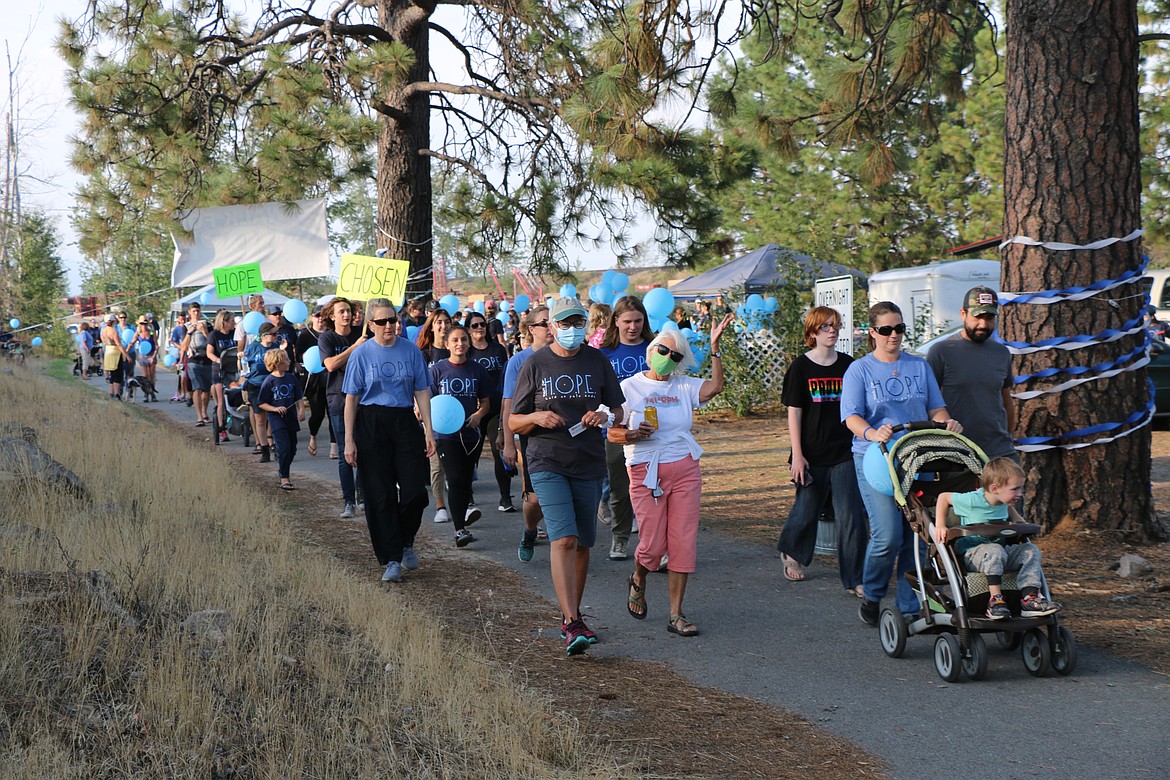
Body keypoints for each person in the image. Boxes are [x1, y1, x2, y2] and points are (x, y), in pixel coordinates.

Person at [510, 297, 625, 655]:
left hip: (588, 460)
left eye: (578, 321)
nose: (572, 328)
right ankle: (571, 619)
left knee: (583, 544)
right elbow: (514, 419)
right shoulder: (535, 364)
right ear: (553, 326)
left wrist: (603, 415)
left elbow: (618, 409)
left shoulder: (597, 360)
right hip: (547, 459)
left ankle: (572, 616)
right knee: (563, 538)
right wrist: (536, 418)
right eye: (564, 322)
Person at [841, 301, 962, 626]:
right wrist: (871, 432)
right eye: (885, 330)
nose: (893, 335)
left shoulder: (918, 366)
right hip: (876, 460)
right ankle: (873, 594)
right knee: (887, 537)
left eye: (899, 329)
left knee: (918, 532)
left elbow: (936, 408)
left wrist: (947, 422)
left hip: (916, 456)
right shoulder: (860, 369)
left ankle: (910, 606)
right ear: (872, 332)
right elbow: (850, 416)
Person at [611, 315, 732, 637]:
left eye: (676, 356)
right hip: (646, 469)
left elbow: (715, 388)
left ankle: (676, 614)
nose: (668, 359)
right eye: (664, 351)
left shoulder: (683, 385)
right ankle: (638, 578)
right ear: (651, 351)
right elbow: (613, 433)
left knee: (682, 543)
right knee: (652, 545)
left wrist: (715, 348)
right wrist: (634, 434)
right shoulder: (630, 386)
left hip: (685, 469)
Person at [343, 298, 436, 583]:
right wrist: (348, 439)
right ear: (370, 325)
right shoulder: (361, 354)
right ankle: (391, 558)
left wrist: (429, 431)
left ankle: (405, 540)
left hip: (404, 420)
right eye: (382, 322)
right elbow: (351, 399)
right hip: (371, 423)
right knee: (379, 493)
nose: (389, 326)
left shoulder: (411, 351)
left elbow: (422, 390)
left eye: (393, 320)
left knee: (415, 492)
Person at [776, 306, 867, 595]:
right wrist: (798, 455)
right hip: (811, 453)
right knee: (807, 510)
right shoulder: (801, 367)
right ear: (813, 332)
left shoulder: (850, 366)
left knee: (850, 515)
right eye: (826, 326)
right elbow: (795, 414)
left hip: (845, 452)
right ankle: (792, 551)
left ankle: (855, 578)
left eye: (836, 326)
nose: (832, 331)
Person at [934, 457, 1061, 618]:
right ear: (994, 488)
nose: (1020, 494)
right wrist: (940, 524)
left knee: (1030, 550)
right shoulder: (972, 500)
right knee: (995, 550)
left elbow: (1005, 507)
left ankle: (1030, 598)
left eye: (1021, 489)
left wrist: (1017, 520)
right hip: (972, 554)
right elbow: (943, 497)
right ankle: (995, 600)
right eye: (1015, 489)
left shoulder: (1002, 499)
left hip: (999, 552)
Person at [926, 287, 1017, 462]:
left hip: (1000, 452)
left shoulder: (1001, 353)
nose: (983, 324)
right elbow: (928, 402)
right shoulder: (941, 352)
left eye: (989, 318)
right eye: (977, 317)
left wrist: (1008, 435)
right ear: (963, 314)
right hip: (957, 453)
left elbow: (1006, 399)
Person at [598, 295, 655, 560]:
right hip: (617, 430)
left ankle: (654, 542)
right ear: (616, 321)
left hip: (651, 429)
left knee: (653, 487)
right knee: (619, 488)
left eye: (638, 321)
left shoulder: (655, 349)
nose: (633, 327)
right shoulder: (604, 353)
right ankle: (619, 540)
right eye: (628, 321)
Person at [502, 304, 554, 563]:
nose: (550, 327)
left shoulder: (569, 355)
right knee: (534, 499)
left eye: (553, 322)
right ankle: (530, 530)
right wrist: (509, 442)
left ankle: (563, 543)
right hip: (531, 436)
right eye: (545, 323)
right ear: (532, 329)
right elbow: (508, 403)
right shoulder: (519, 361)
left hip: (564, 437)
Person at [430, 324, 490, 546]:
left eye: (464, 339)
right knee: (454, 478)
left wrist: (479, 415)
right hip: (445, 435)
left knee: (465, 481)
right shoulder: (437, 371)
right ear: (446, 344)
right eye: (455, 340)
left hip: (471, 435)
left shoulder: (477, 370)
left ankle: (462, 518)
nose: (460, 344)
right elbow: (428, 403)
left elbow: (485, 402)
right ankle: (459, 530)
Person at [319, 297, 367, 516]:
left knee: (365, 450)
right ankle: (348, 501)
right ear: (332, 315)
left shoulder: (363, 334)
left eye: (348, 311)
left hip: (364, 400)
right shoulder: (327, 338)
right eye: (341, 312)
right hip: (338, 399)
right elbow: (330, 365)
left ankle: (362, 494)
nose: (346, 315)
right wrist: (354, 349)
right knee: (344, 452)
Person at [466, 310, 514, 512]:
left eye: (482, 325)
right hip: (473, 410)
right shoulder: (466, 351)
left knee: (498, 450)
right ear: (468, 329)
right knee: (470, 454)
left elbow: (506, 378)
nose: (479, 328)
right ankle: (467, 496)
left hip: (495, 408)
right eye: (475, 325)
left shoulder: (498, 349)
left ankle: (505, 498)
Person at [417, 308, 453, 523]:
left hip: (456, 412)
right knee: (436, 460)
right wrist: (417, 406)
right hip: (431, 412)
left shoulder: (456, 348)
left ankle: (465, 499)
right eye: (438, 322)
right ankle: (440, 505)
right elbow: (417, 383)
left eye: (446, 322)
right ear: (431, 326)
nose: (443, 326)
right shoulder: (424, 354)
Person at [257, 348, 305, 491]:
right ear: (277, 363)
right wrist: (274, 409)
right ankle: (285, 477)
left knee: (292, 449)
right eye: (286, 359)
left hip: (291, 417)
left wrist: (301, 409)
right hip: (277, 419)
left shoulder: (291, 377)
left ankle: (283, 467)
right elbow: (261, 402)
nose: (289, 361)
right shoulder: (269, 381)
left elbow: (298, 395)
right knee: (283, 449)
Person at [297, 306, 333, 457]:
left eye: (322, 316)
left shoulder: (331, 334)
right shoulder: (305, 335)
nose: (320, 319)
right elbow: (298, 357)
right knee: (317, 414)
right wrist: (307, 356)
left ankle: (334, 446)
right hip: (314, 381)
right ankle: (313, 436)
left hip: (331, 378)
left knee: (333, 414)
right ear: (312, 318)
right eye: (317, 316)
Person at [244, 322, 282, 462]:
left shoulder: (276, 348)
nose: (276, 336)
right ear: (264, 335)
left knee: (274, 416)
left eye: (276, 334)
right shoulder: (253, 348)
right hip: (256, 385)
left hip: (272, 384)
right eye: (273, 334)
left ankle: (276, 446)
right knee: (260, 419)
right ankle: (264, 449)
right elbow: (244, 365)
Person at [208, 309, 238, 442]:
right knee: (221, 400)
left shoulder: (234, 333)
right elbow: (209, 353)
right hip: (219, 369)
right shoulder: (214, 335)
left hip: (234, 368)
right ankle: (222, 428)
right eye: (231, 321)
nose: (233, 323)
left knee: (237, 394)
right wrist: (218, 360)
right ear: (224, 322)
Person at [182, 318, 214, 423]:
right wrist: (189, 332)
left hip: (206, 360)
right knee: (197, 388)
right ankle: (199, 416)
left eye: (198, 311)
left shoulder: (207, 325)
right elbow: (183, 346)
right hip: (193, 361)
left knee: (207, 389)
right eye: (194, 311)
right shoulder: (186, 327)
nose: (196, 313)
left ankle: (204, 412)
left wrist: (204, 331)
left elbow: (212, 342)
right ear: (190, 313)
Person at [101, 313, 132, 400]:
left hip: (108, 351)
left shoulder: (104, 331)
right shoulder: (113, 331)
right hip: (115, 353)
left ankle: (111, 392)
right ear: (113, 321)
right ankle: (117, 394)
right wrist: (127, 356)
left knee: (112, 374)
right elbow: (119, 344)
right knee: (118, 374)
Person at [129, 316, 159, 402]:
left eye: (145, 323)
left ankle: (152, 393)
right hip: (142, 356)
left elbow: (156, 345)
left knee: (152, 376)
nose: (143, 325)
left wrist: (153, 356)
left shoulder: (152, 333)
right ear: (139, 324)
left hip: (151, 355)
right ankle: (146, 393)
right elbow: (132, 342)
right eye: (142, 324)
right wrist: (126, 350)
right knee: (145, 376)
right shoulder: (138, 333)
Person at [169, 313, 190, 402]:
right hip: (181, 353)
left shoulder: (189, 327)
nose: (182, 321)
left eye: (184, 319)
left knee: (188, 376)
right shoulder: (176, 329)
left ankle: (188, 393)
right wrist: (182, 347)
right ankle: (182, 393)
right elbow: (174, 341)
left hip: (189, 353)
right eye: (181, 319)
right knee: (182, 376)